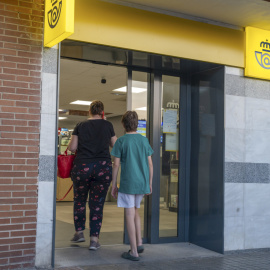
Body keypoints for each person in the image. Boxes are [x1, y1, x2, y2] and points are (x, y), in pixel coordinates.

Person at [68, 100, 117, 250]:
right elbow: (115, 145)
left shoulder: (80, 125)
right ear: (102, 112)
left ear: (89, 111)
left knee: (80, 200)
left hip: (82, 167)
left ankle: (79, 232)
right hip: (102, 168)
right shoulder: (107, 125)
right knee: (97, 205)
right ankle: (94, 240)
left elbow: (72, 147)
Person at [111, 111, 153, 261]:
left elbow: (116, 164)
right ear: (136, 124)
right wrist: (149, 183)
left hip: (128, 183)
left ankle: (133, 251)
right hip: (141, 183)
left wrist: (113, 184)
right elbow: (150, 163)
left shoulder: (121, 142)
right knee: (135, 211)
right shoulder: (144, 140)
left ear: (123, 124)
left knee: (129, 214)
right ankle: (139, 242)